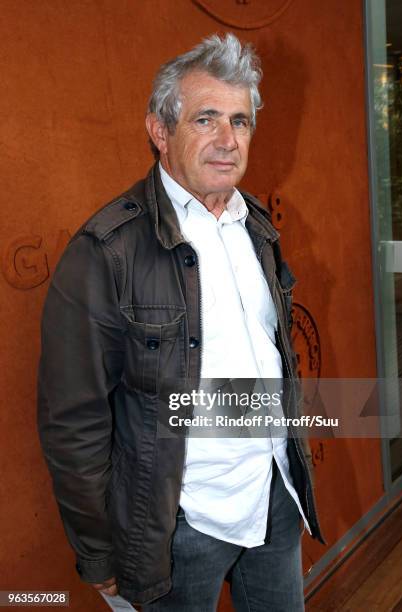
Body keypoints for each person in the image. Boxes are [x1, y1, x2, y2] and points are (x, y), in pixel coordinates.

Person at [37, 33, 325, 611]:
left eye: (240, 121)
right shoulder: (106, 251)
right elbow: (73, 418)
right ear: (160, 131)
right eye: (206, 119)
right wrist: (98, 551)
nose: (227, 140)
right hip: (178, 525)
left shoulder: (257, 229)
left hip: (272, 497)